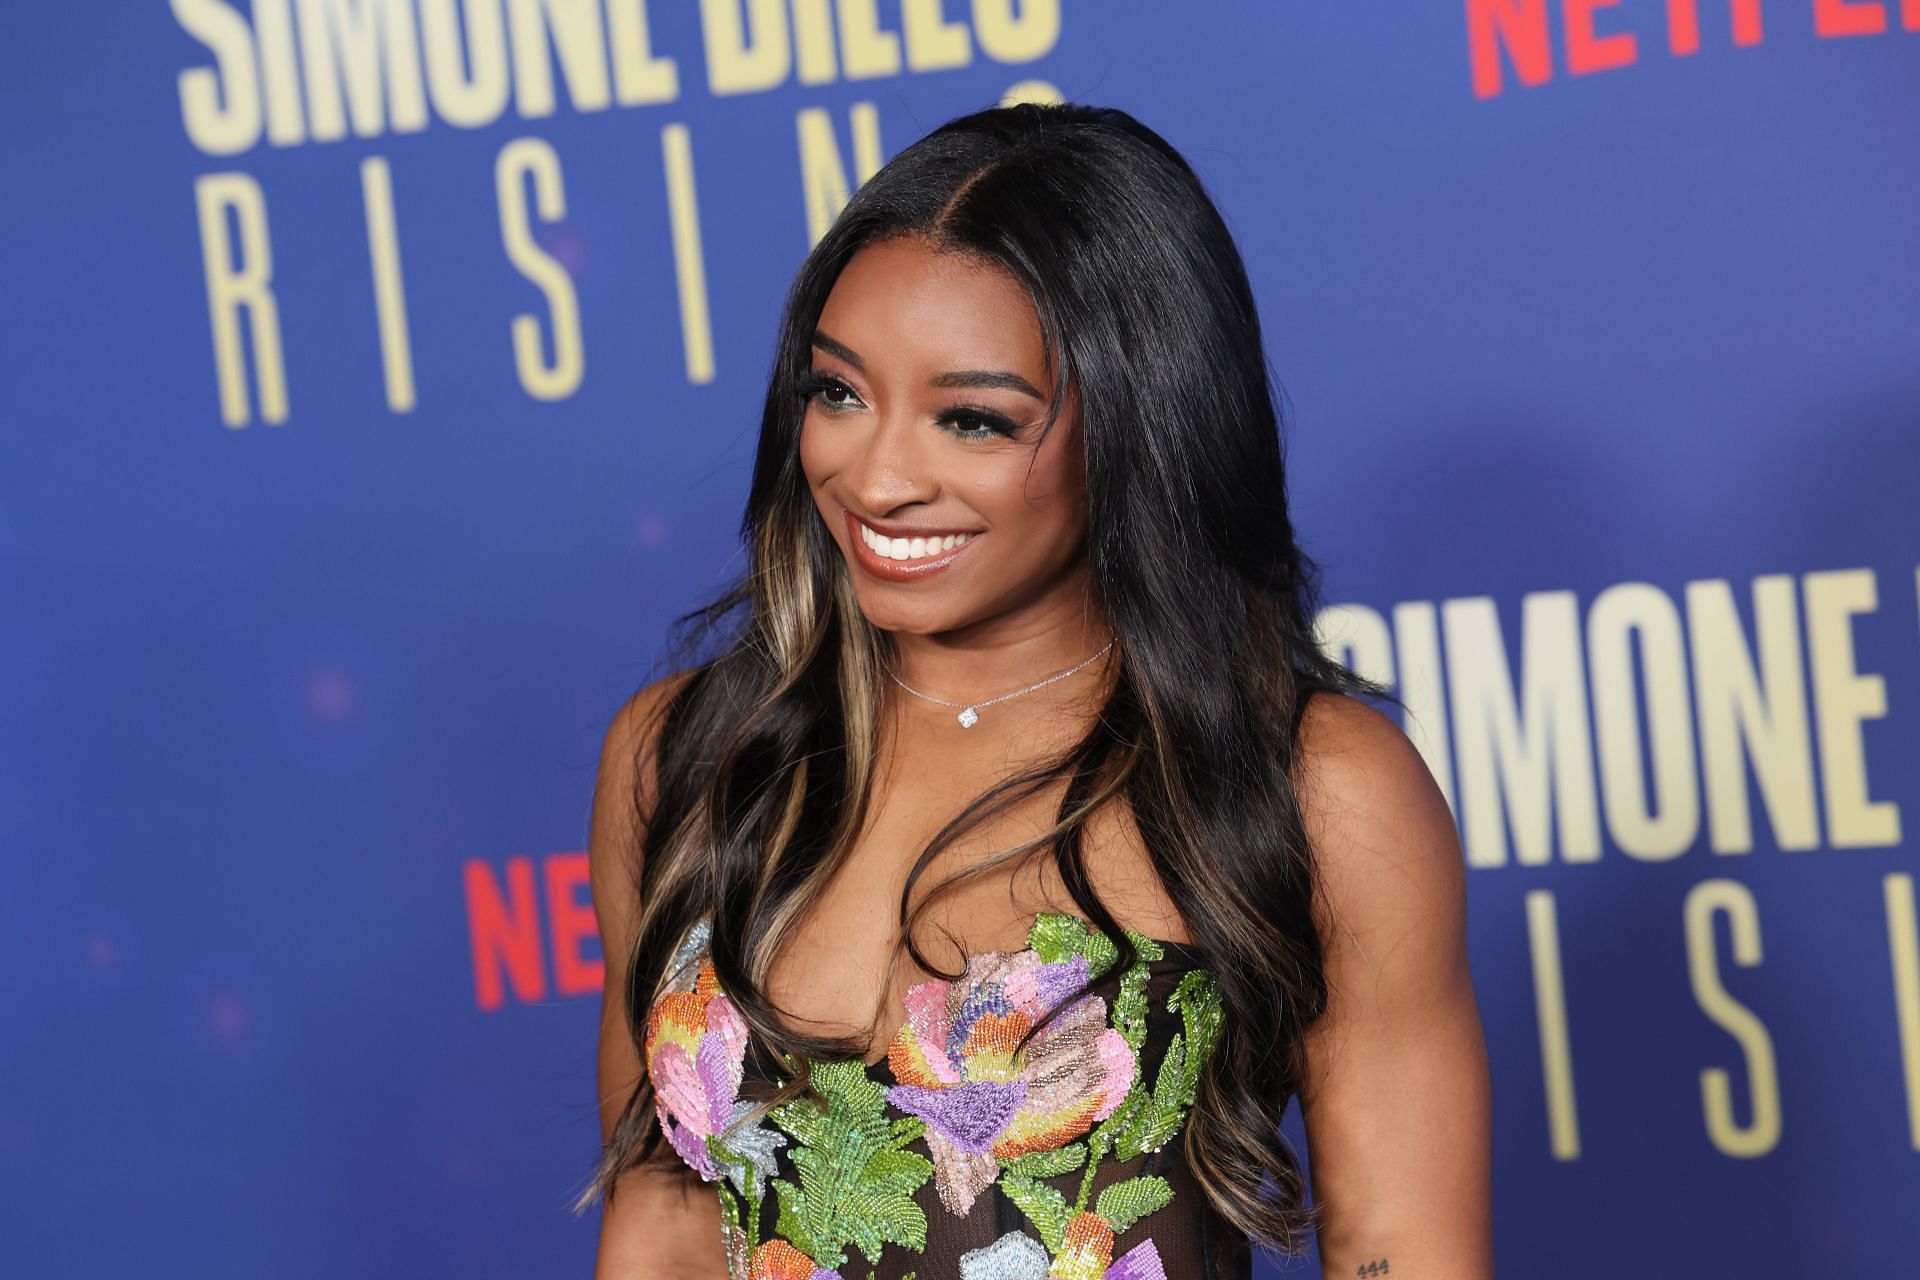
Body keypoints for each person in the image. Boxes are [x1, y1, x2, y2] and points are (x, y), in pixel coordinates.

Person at [577, 101, 1492, 1279]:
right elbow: (666, 1218)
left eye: (972, 418)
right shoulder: (688, 756)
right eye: (839, 392)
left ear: (1136, 423)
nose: (878, 474)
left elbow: (1401, 1251)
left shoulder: (1312, 789)